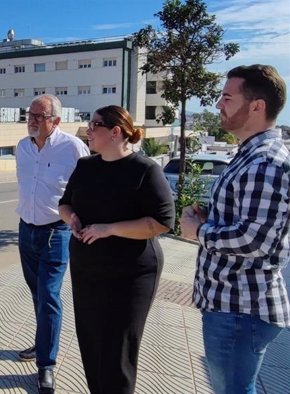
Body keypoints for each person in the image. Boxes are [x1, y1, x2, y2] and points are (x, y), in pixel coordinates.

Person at [180, 64, 289, 394]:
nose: (218, 105)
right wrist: (208, 217)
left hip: (241, 309)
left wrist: (197, 232)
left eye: (227, 97)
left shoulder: (266, 161)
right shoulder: (251, 154)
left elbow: (257, 240)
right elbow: (248, 218)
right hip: (232, 306)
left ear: (257, 106)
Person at [58, 105, 174, 393]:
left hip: (131, 274)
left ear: (115, 131)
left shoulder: (145, 170)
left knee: (118, 349)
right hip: (87, 269)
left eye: (94, 124)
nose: (88, 130)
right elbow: (65, 203)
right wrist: (72, 218)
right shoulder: (86, 166)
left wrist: (108, 228)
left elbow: (161, 222)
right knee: (91, 341)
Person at [15, 94, 89, 393]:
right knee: (37, 295)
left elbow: (90, 183)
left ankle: (46, 365)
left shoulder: (72, 147)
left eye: (39, 116)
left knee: (48, 297)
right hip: (26, 230)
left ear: (56, 121)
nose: (31, 120)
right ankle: (42, 341)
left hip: (55, 233)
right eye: (29, 114)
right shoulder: (22, 147)